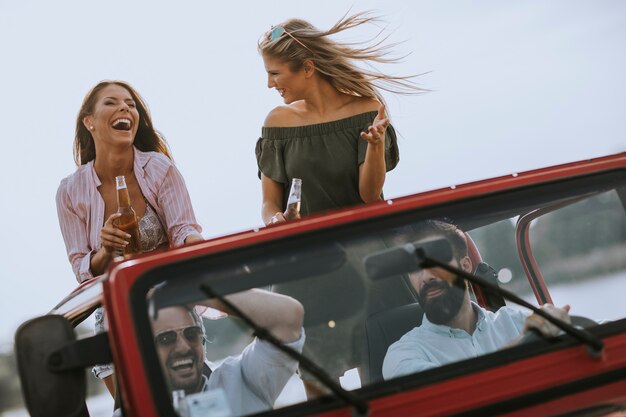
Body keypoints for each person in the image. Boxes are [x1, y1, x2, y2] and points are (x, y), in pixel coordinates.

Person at [56, 80, 204, 395]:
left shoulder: (160, 169)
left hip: (170, 308)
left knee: (195, 404)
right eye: (111, 102)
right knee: (132, 406)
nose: (125, 108)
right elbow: (82, 268)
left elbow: (184, 231)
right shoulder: (70, 192)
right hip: (115, 313)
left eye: (131, 104)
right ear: (89, 121)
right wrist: (105, 251)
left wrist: (203, 251)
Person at [256, 12, 424, 226]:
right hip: (308, 252)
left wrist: (375, 145)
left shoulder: (367, 112)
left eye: (275, 74)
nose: (270, 84)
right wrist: (275, 220)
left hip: (366, 244)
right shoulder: (277, 123)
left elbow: (370, 197)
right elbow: (269, 203)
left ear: (307, 68)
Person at [382, 220, 572, 380]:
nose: (425, 277)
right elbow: (451, 394)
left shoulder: (515, 321)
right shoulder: (402, 355)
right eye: (415, 268)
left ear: (465, 267)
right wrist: (527, 341)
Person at [151, 289, 305, 416]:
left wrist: (201, 294)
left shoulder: (242, 379)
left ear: (203, 343)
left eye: (191, 334)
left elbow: (289, 315)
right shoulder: (134, 404)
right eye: (166, 339)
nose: (184, 347)